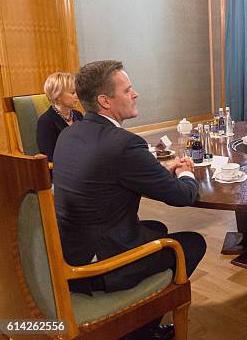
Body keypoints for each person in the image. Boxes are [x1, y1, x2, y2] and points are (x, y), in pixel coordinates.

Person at [53, 60, 206, 340]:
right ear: (105, 101)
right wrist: (185, 173)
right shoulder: (123, 144)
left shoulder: (69, 134)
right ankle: (140, 330)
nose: (135, 94)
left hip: (69, 250)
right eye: (128, 89)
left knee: (157, 227)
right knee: (192, 243)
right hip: (97, 266)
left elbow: (110, 178)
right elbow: (182, 196)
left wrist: (160, 172)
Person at [36, 72, 84, 163]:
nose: (77, 96)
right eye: (73, 93)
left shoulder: (78, 115)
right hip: (62, 170)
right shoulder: (45, 121)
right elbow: (50, 157)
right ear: (57, 96)